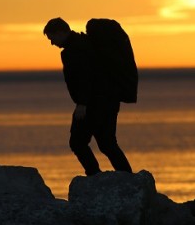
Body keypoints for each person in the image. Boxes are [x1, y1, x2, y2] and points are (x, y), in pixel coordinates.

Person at [43, 17, 133, 176]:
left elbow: (86, 77)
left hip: (93, 104)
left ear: (61, 32)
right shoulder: (86, 43)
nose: (52, 43)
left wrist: (82, 104)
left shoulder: (73, 50)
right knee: (107, 143)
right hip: (109, 100)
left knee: (77, 142)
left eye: (52, 38)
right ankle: (127, 177)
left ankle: (94, 176)